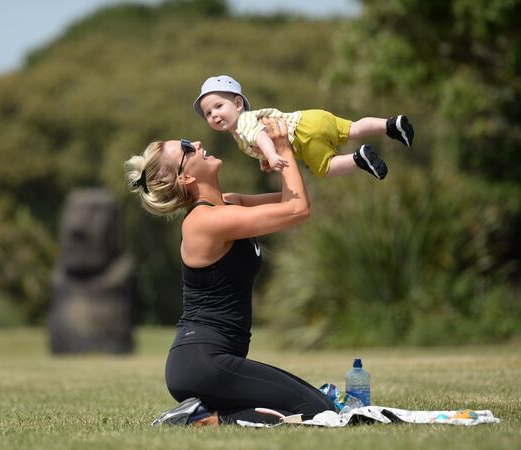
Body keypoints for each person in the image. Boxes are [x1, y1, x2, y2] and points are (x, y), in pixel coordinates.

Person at [125, 117, 336, 426]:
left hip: (214, 362)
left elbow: (296, 199)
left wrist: (279, 159)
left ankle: (203, 417)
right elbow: (297, 210)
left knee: (323, 405)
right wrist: (281, 148)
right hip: (202, 363)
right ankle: (200, 420)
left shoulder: (228, 205)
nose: (196, 143)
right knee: (321, 413)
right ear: (184, 178)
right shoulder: (204, 223)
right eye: (186, 148)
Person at [193, 75, 415, 180]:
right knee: (354, 128)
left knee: (325, 169)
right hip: (312, 117)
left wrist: (270, 155)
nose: (214, 115)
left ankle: (359, 158)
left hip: (303, 136)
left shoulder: (244, 123)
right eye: (208, 114)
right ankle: (390, 125)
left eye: (218, 106)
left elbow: (260, 136)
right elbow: (261, 141)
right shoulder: (244, 127)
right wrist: (266, 160)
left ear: (238, 104)